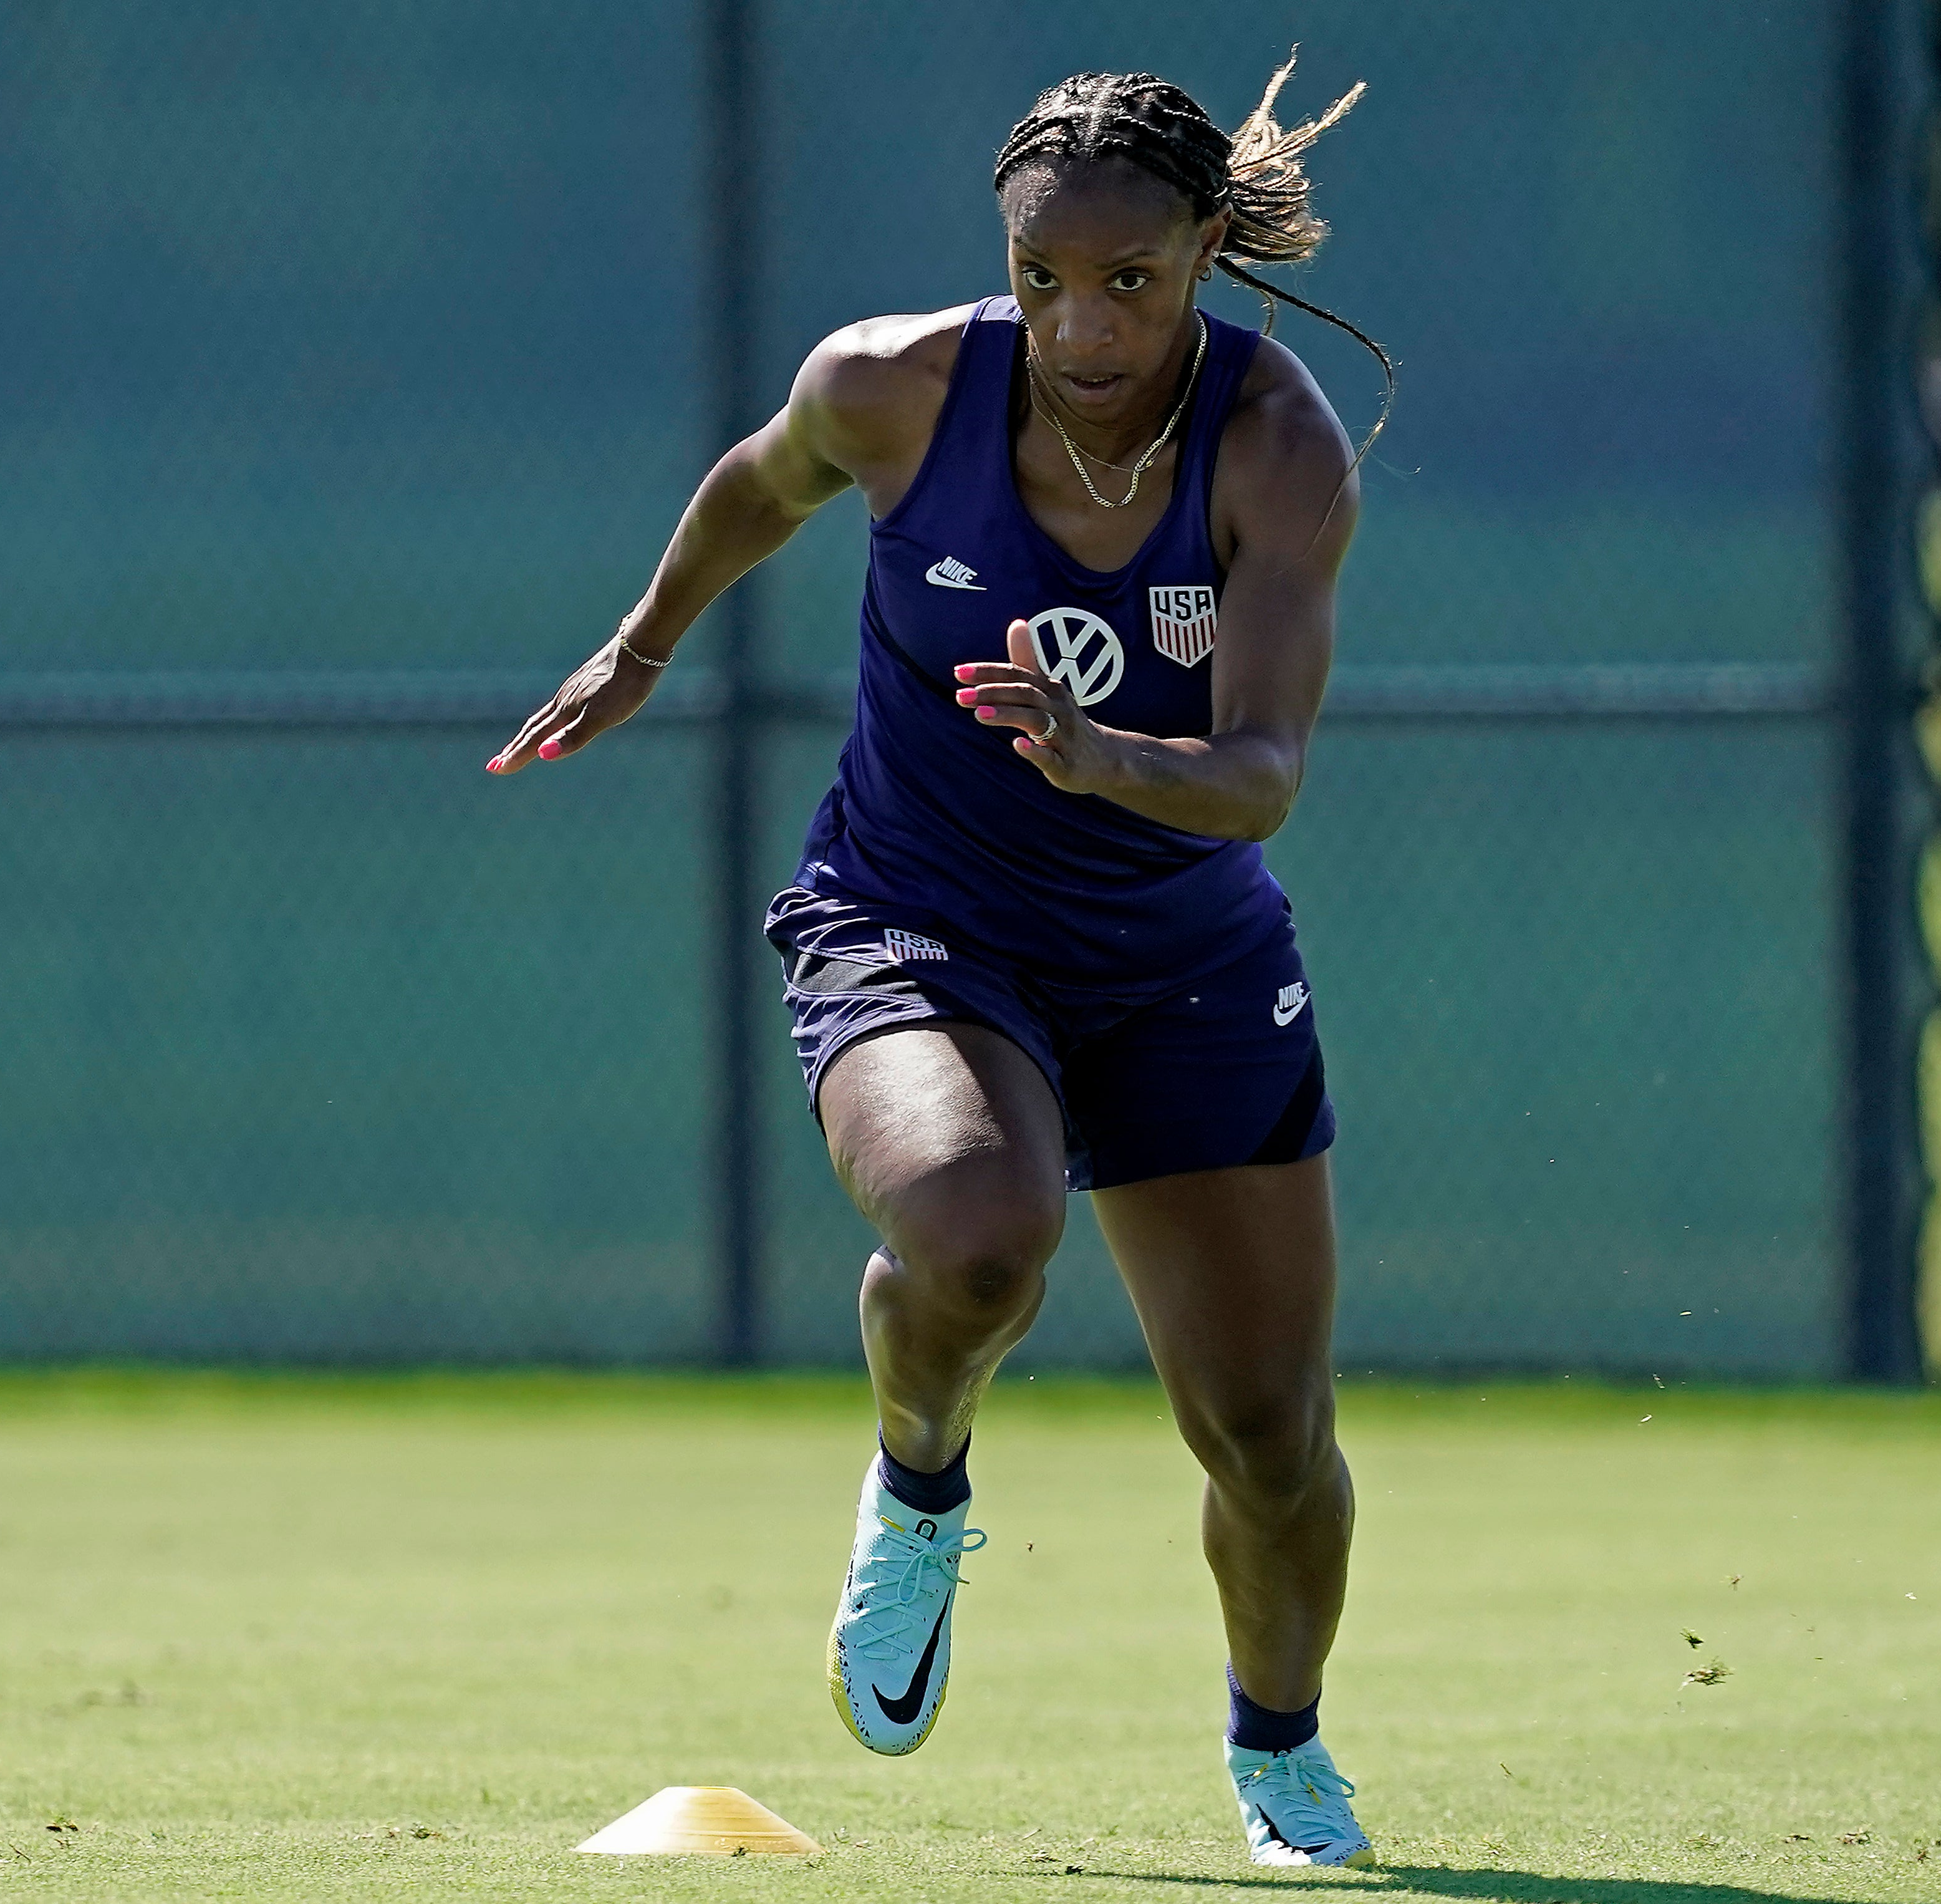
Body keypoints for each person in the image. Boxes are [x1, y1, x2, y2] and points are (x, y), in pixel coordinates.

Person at [490, 59, 1390, 1869]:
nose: (1081, 326)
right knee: (979, 1237)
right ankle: (918, 1486)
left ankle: (1281, 1751)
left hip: (1183, 963)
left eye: (1128, 282)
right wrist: (642, 646)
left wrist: (1100, 757)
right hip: (920, 918)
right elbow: (763, 484)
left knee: (1267, 1440)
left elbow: (1261, 777)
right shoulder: (889, 385)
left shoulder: (1276, 446)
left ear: (1203, 254)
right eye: (1041, 278)